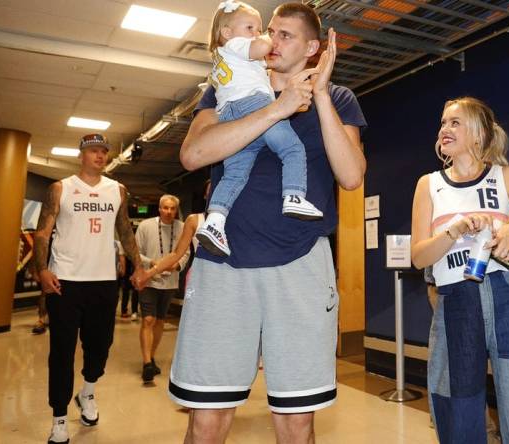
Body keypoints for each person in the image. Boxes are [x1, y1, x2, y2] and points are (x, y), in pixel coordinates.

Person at [139, 3, 367, 442]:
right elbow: (194, 155)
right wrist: (276, 109)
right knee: (207, 416)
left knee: (296, 418)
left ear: (313, 48)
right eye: (270, 31)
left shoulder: (339, 99)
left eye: (285, 35)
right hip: (224, 263)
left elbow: (352, 176)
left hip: (300, 264)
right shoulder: (225, 90)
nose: (271, 41)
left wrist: (317, 95)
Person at [410, 97, 509, 443]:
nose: (444, 129)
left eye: (455, 122)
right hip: (455, 301)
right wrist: (453, 230)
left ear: (479, 132)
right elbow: (420, 257)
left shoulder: (507, 176)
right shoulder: (429, 184)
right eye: (442, 122)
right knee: (457, 401)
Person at [32, 133, 147, 444]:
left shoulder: (117, 190)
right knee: (62, 352)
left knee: (100, 346)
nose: (99, 155)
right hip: (65, 281)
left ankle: (88, 393)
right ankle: (58, 418)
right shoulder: (61, 188)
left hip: (103, 281)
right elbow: (43, 232)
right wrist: (42, 269)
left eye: (103, 151)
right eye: (93, 151)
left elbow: (124, 228)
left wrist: (137, 266)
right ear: (81, 155)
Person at [194, 0, 324, 258]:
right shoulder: (236, 44)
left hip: (230, 113)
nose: (264, 35)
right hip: (254, 103)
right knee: (292, 148)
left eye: (282, 34)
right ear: (227, 32)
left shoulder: (231, 57)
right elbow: (263, 46)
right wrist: (266, 39)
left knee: (235, 174)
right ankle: (294, 195)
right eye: (253, 27)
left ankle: (215, 222)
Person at [134, 194, 189, 383]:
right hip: (149, 280)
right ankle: (147, 363)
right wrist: (152, 262)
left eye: (173, 208)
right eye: (165, 208)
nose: (169, 212)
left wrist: (177, 265)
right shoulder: (145, 226)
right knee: (148, 319)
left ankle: (152, 356)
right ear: (159, 209)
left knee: (159, 321)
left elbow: (186, 252)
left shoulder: (182, 228)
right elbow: (135, 252)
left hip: (170, 282)